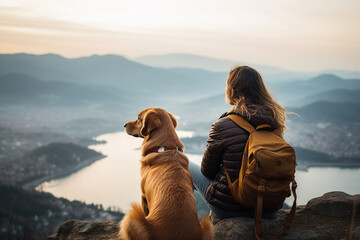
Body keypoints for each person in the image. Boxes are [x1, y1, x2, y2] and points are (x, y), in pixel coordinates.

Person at [189, 65, 288, 220]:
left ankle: (184, 217)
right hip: (269, 209)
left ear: (232, 91)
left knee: (184, 163)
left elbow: (207, 171)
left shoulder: (223, 125)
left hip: (229, 210)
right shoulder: (275, 122)